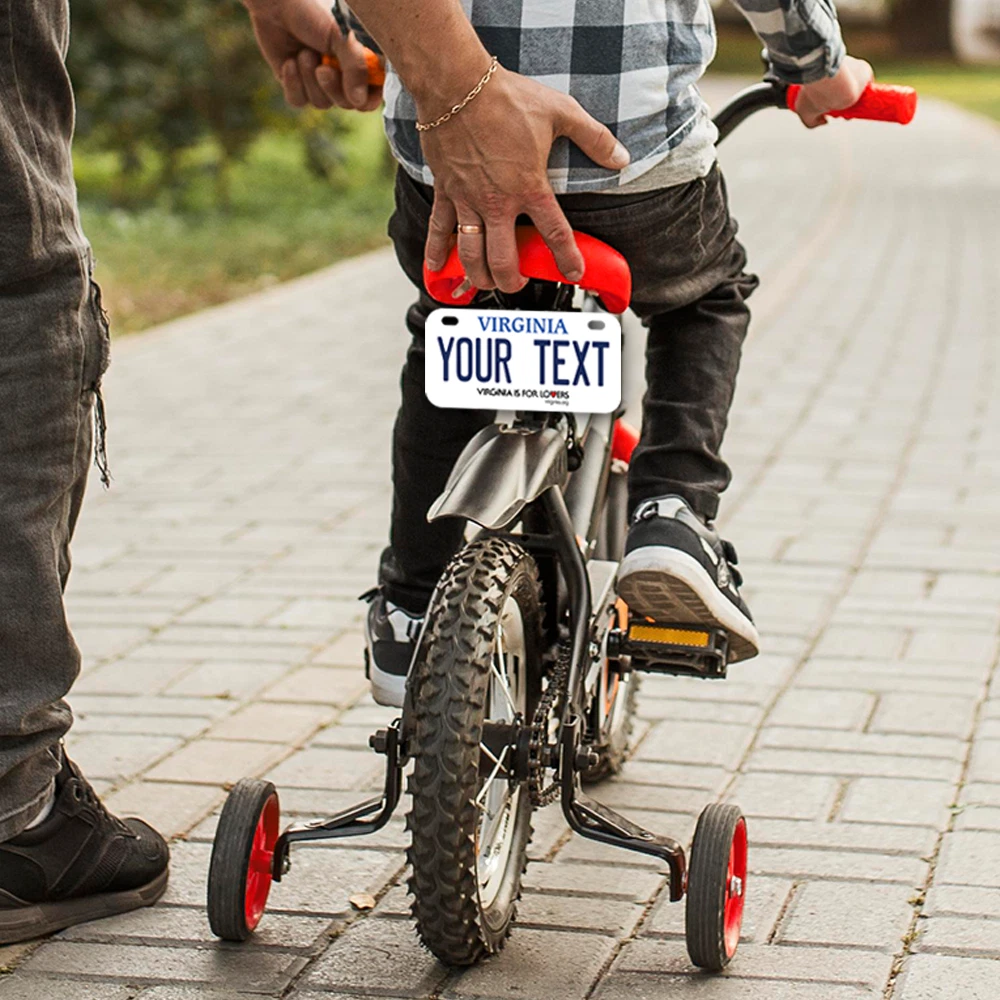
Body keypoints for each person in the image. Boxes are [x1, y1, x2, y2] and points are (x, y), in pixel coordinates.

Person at [241, 0, 869, 706]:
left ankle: (411, 604)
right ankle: (673, 511)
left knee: (447, 319)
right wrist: (820, 66)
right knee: (703, 298)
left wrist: (357, 37)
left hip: (447, 169)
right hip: (634, 166)